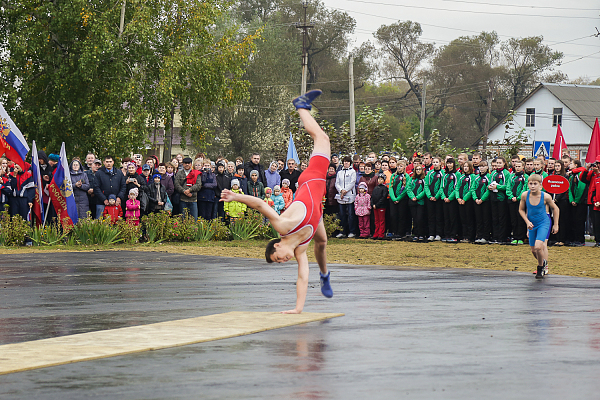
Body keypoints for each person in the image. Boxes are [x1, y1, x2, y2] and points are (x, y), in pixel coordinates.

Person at [220, 89, 332, 314]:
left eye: (278, 258)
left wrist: (235, 196)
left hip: (312, 180)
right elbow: (302, 277)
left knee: (322, 137)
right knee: (321, 243)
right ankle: (325, 276)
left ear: (278, 245)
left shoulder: (282, 226)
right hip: (315, 210)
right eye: (280, 262)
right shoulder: (299, 250)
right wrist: (297, 309)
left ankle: (301, 105)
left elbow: (261, 205)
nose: (283, 261)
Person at [519, 174, 559, 278]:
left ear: (540, 185)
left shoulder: (545, 196)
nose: (532, 186)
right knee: (533, 250)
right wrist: (527, 222)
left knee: (539, 246)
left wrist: (555, 224)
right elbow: (521, 210)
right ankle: (543, 263)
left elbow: (556, 209)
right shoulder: (524, 195)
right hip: (532, 224)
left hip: (544, 223)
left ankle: (541, 267)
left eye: (535, 184)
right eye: (530, 184)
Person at [489, 157, 511, 244]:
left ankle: (502, 237)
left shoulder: (506, 173)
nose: (498, 165)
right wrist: (490, 187)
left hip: (502, 199)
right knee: (494, 218)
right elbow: (490, 183)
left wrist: (497, 187)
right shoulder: (493, 173)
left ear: (504, 163)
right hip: (493, 198)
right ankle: (495, 236)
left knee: (502, 218)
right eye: (497, 163)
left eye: (500, 163)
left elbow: (507, 186)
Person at [506, 159, 528, 245]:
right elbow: (508, 188)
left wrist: (518, 198)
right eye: (516, 166)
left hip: (521, 201)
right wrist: (511, 197)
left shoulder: (525, 177)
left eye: (519, 166)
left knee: (520, 219)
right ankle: (515, 237)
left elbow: (525, 188)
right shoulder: (511, 176)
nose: (517, 168)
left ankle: (521, 238)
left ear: (523, 167)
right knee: (513, 220)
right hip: (512, 201)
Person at [335, 155, 357, 238]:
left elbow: (352, 182)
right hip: (341, 196)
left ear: (350, 163)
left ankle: (352, 231)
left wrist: (345, 190)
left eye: (347, 161)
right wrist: (341, 191)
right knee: (342, 215)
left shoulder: (352, 172)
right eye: (345, 161)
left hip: (349, 195)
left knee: (351, 215)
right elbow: (337, 183)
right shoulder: (340, 172)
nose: (346, 163)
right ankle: (342, 231)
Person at [455, 161, 476, 243]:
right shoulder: (461, 176)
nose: (465, 168)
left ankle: (470, 236)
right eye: (464, 166)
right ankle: (464, 235)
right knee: (463, 219)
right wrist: (458, 198)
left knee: (469, 219)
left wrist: (464, 199)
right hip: (460, 200)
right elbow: (457, 187)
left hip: (468, 201)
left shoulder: (473, 176)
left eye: (467, 166)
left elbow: (471, 189)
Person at [388, 160, 410, 238]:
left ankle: (401, 233)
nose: (399, 167)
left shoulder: (406, 176)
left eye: (401, 166)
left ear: (404, 167)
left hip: (402, 199)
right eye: (398, 166)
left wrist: (399, 198)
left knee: (402, 216)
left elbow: (406, 188)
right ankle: (395, 231)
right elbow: (390, 187)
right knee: (393, 216)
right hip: (393, 199)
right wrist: (393, 198)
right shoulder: (393, 175)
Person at [472, 161, 492, 244]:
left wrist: (482, 199)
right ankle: (479, 236)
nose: (482, 168)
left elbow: (489, 189)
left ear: (487, 167)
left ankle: (485, 236)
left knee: (486, 219)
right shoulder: (476, 178)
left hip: (485, 202)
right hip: (477, 201)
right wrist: (476, 198)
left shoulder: (489, 177)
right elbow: (472, 189)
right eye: (480, 166)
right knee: (479, 219)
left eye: (484, 166)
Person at [424, 157, 444, 241]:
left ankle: (438, 234)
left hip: (438, 198)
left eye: (437, 162)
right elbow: (426, 185)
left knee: (439, 216)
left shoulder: (443, 173)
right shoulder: (430, 173)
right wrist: (429, 196)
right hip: (430, 198)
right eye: (434, 162)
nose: (435, 163)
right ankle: (431, 234)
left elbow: (442, 185)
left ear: (440, 163)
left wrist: (437, 196)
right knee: (431, 216)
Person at [440, 157, 459, 243]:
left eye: (451, 163)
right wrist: (444, 197)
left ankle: (453, 235)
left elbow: (457, 187)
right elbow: (441, 187)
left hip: (452, 200)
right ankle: (446, 235)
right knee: (446, 217)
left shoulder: (457, 174)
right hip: (445, 199)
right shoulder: (445, 174)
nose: (449, 165)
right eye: (448, 163)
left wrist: (450, 198)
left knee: (453, 217)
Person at [407, 164, 427, 241]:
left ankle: (421, 234)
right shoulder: (412, 179)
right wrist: (412, 197)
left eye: (419, 169)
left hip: (420, 202)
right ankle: (416, 234)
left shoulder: (424, 179)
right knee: (414, 219)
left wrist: (418, 197)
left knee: (420, 218)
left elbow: (425, 189)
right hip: (412, 202)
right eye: (417, 169)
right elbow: (408, 188)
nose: (418, 171)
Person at [371, 173, 388, 239]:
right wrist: (373, 204)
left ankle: (381, 233)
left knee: (381, 220)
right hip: (375, 206)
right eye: (379, 179)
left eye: (381, 179)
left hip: (381, 206)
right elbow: (372, 196)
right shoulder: (375, 188)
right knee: (376, 220)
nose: (379, 180)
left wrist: (377, 204)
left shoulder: (384, 188)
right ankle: (376, 233)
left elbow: (383, 197)